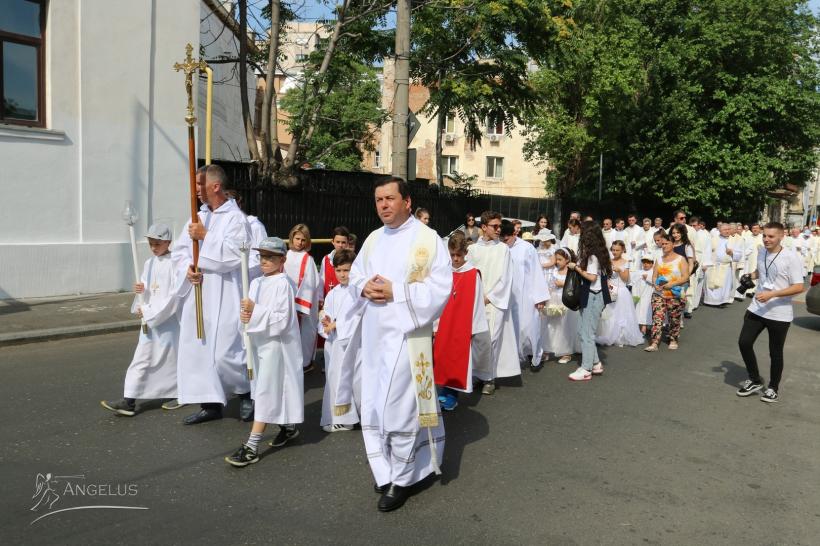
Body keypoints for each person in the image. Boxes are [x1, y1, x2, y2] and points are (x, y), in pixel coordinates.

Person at [347, 176, 451, 512]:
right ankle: (385, 468)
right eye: (379, 200)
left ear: (407, 201)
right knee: (375, 402)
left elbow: (440, 288)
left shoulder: (428, 240)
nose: (384, 206)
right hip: (376, 335)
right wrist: (363, 288)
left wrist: (397, 292)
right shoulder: (374, 239)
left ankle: (404, 477)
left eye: (390, 199)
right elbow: (356, 274)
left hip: (408, 336)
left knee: (401, 408)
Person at [172, 165, 252, 425]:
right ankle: (210, 404)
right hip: (200, 291)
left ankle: (246, 393)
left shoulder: (235, 218)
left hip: (225, 290)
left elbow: (236, 254)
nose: (195, 189)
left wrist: (206, 236)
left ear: (215, 186)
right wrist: (189, 268)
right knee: (199, 350)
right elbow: (181, 251)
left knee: (226, 352)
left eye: (199, 184)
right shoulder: (197, 216)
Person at [225, 237, 304, 467]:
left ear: (283, 260)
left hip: (277, 348)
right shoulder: (257, 282)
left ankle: (251, 445)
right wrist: (246, 318)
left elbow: (282, 321)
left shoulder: (283, 284)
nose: (265, 261)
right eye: (262, 256)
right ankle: (288, 427)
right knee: (271, 388)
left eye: (271, 257)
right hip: (260, 343)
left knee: (266, 391)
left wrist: (255, 310)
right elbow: (251, 314)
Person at [101, 223, 182, 416]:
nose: (153, 248)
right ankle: (129, 400)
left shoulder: (175, 263)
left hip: (167, 321)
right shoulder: (149, 263)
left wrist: (149, 311)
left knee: (170, 359)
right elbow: (147, 287)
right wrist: (141, 295)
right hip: (150, 319)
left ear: (168, 242)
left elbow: (174, 296)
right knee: (142, 357)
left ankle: (180, 391)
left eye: (157, 244)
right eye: (151, 244)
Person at [735, 223, 805, 403]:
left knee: (775, 352)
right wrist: (751, 276)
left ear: (781, 236)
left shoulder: (791, 258)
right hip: (757, 307)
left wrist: (772, 294)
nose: (766, 239)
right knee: (744, 342)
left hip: (779, 313)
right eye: (765, 236)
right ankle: (755, 379)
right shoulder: (762, 251)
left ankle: (773, 388)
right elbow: (763, 270)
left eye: (771, 236)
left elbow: (798, 286)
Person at [433, 232, 490, 411]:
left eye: (459, 255)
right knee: (441, 357)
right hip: (445, 321)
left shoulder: (473, 273)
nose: (455, 259)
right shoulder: (444, 271)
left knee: (457, 360)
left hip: (462, 324)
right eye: (452, 255)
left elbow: (477, 303)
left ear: (465, 253)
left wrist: (474, 328)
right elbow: (436, 298)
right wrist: (434, 324)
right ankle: (443, 390)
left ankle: (452, 395)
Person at [467, 211, 517, 394]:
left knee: (492, 339)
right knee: (477, 339)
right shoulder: (472, 250)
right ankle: (475, 374)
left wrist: (488, 298)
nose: (498, 229)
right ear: (484, 227)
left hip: (494, 301)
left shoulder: (503, 249)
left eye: (499, 226)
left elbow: (506, 278)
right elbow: (468, 275)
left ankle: (489, 377)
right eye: (494, 226)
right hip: (475, 301)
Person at [318, 249, 365, 432]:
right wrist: (326, 322)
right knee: (336, 379)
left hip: (355, 345)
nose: (342, 275)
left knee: (357, 380)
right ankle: (343, 418)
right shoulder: (333, 293)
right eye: (339, 271)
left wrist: (337, 325)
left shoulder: (359, 291)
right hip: (335, 345)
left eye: (346, 270)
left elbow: (359, 316)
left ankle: (361, 416)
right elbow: (326, 315)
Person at [566, 221, 612, 381]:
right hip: (594, 295)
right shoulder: (599, 252)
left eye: (582, 231)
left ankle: (586, 368)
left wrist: (576, 268)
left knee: (587, 333)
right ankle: (596, 363)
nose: (580, 234)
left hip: (593, 295)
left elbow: (592, 277)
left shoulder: (593, 255)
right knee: (584, 331)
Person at [504, 220, 549, 371]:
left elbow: (536, 271)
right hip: (507, 295)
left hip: (527, 294)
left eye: (507, 239)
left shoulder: (527, 248)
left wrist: (540, 297)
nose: (505, 242)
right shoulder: (499, 248)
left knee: (530, 326)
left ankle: (535, 356)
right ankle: (512, 358)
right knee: (510, 328)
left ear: (514, 234)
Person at [284, 224, 321, 373]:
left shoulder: (308, 259)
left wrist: (301, 305)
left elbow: (310, 283)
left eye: (303, 240)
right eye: (297, 238)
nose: (300, 242)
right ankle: (290, 361)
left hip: (304, 303)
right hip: (287, 301)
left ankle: (305, 363)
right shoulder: (285, 255)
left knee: (306, 332)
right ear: (292, 238)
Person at [645, 232, 690, 352]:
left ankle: (673, 339)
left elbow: (685, 277)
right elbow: (654, 276)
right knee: (657, 318)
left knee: (674, 319)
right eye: (662, 243)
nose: (664, 246)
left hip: (674, 294)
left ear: (673, 244)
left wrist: (672, 284)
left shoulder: (681, 259)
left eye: (666, 243)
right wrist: (655, 284)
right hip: (659, 293)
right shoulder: (659, 259)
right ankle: (654, 343)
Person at [596, 240, 644, 347]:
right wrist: (607, 284)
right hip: (610, 289)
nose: (614, 252)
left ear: (622, 250)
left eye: (617, 250)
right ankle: (608, 333)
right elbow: (604, 277)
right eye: (613, 250)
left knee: (622, 313)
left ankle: (621, 335)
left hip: (621, 290)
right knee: (609, 313)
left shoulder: (626, 262)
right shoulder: (608, 262)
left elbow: (626, 279)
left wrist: (619, 271)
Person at [543, 248, 580, 364]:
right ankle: (548, 349)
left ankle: (566, 351)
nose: (557, 262)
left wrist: (563, 284)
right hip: (554, 300)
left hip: (566, 301)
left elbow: (575, 285)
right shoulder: (554, 271)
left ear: (567, 259)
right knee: (551, 325)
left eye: (560, 259)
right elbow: (550, 285)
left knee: (565, 326)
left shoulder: (572, 271)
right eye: (556, 259)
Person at [224, 190, 267, 280]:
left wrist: (242, 271)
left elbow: (260, 255)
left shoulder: (255, 226)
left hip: (248, 277)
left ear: (238, 205)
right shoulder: (224, 226)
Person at [703, 223, 741, 307]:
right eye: (725, 229)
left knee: (723, 285)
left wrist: (732, 253)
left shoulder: (734, 240)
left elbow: (739, 254)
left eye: (728, 229)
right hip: (713, 265)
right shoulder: (713, 239)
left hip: (726, 266)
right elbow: (707, 252)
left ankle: (721, 301)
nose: (727, 231)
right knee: (712, 283)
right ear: (720, 230)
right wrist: (705, 264)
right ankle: (711, 301)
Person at [669, 223, 696, 318]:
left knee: (678, 300)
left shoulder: (687, 246)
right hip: (670, 276)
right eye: (673, 233)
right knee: (670, 300)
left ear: (682, 233)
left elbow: (691, 263)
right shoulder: (670, 245)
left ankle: (678, 321)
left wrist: (686, 277)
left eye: (678, 232)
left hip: (682, 278)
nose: (675, 235)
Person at [320, 226, 350, 300]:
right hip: (328, 299)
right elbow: (321, 281)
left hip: (345, 299)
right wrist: (320, 298)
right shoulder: (326, 259)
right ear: (332, 242)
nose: (340, 245)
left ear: (347, 243)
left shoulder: (352, 260)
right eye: (338, 242)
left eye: (343, 242)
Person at [632, 256, 656, 335]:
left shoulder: (654, 272)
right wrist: (634, 294)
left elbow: (656, 283)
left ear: (652, 264)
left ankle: (646, 327)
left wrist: (648, 278)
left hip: (650, 294)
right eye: (644, 262)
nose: (645, 264)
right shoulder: (638, 272)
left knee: (647, 310)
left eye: (648, 263)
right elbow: (634, 283)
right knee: (639, 310)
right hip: (639, 294)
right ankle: (642, 327)